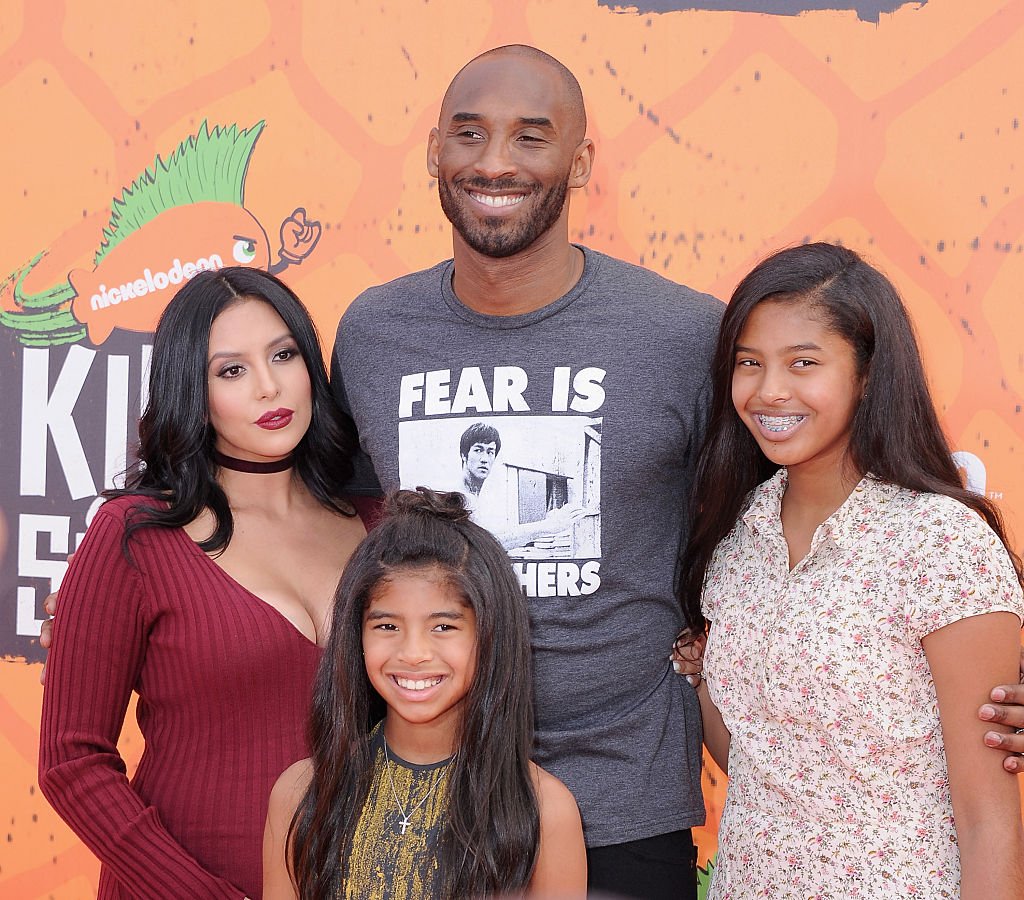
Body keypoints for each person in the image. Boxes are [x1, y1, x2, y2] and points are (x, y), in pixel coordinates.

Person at [331, 44, 722, 898]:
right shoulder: (373, 332)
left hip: (620, 796)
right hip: (425, 794)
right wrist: (144, 557)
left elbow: (790, 516)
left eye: (531, 137)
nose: (495, 161)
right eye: (469, 134)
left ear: (580, 162)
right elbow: (319, 510)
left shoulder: (684, 336)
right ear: (434, 150)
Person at [678, 242, 1024, 898]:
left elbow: (990, 822)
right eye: (749, 363)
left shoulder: (938, 542)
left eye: (803, 363)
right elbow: (763, 763)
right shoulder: (733, 538)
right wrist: (697, 674)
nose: (770, 390)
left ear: (867, 374)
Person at [38, 267, 367, 899]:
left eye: (283, 354)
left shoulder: (376, 525)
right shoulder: (135, 534)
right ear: (192, 388)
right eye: (232, 370)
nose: (270, 387)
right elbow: (72, 761)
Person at [262, 487, 586, 899]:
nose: (413, 653)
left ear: (490, 636)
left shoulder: (544, 809)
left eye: (443, 626)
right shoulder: (302, 791)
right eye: (387, 626)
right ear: (355, 636)